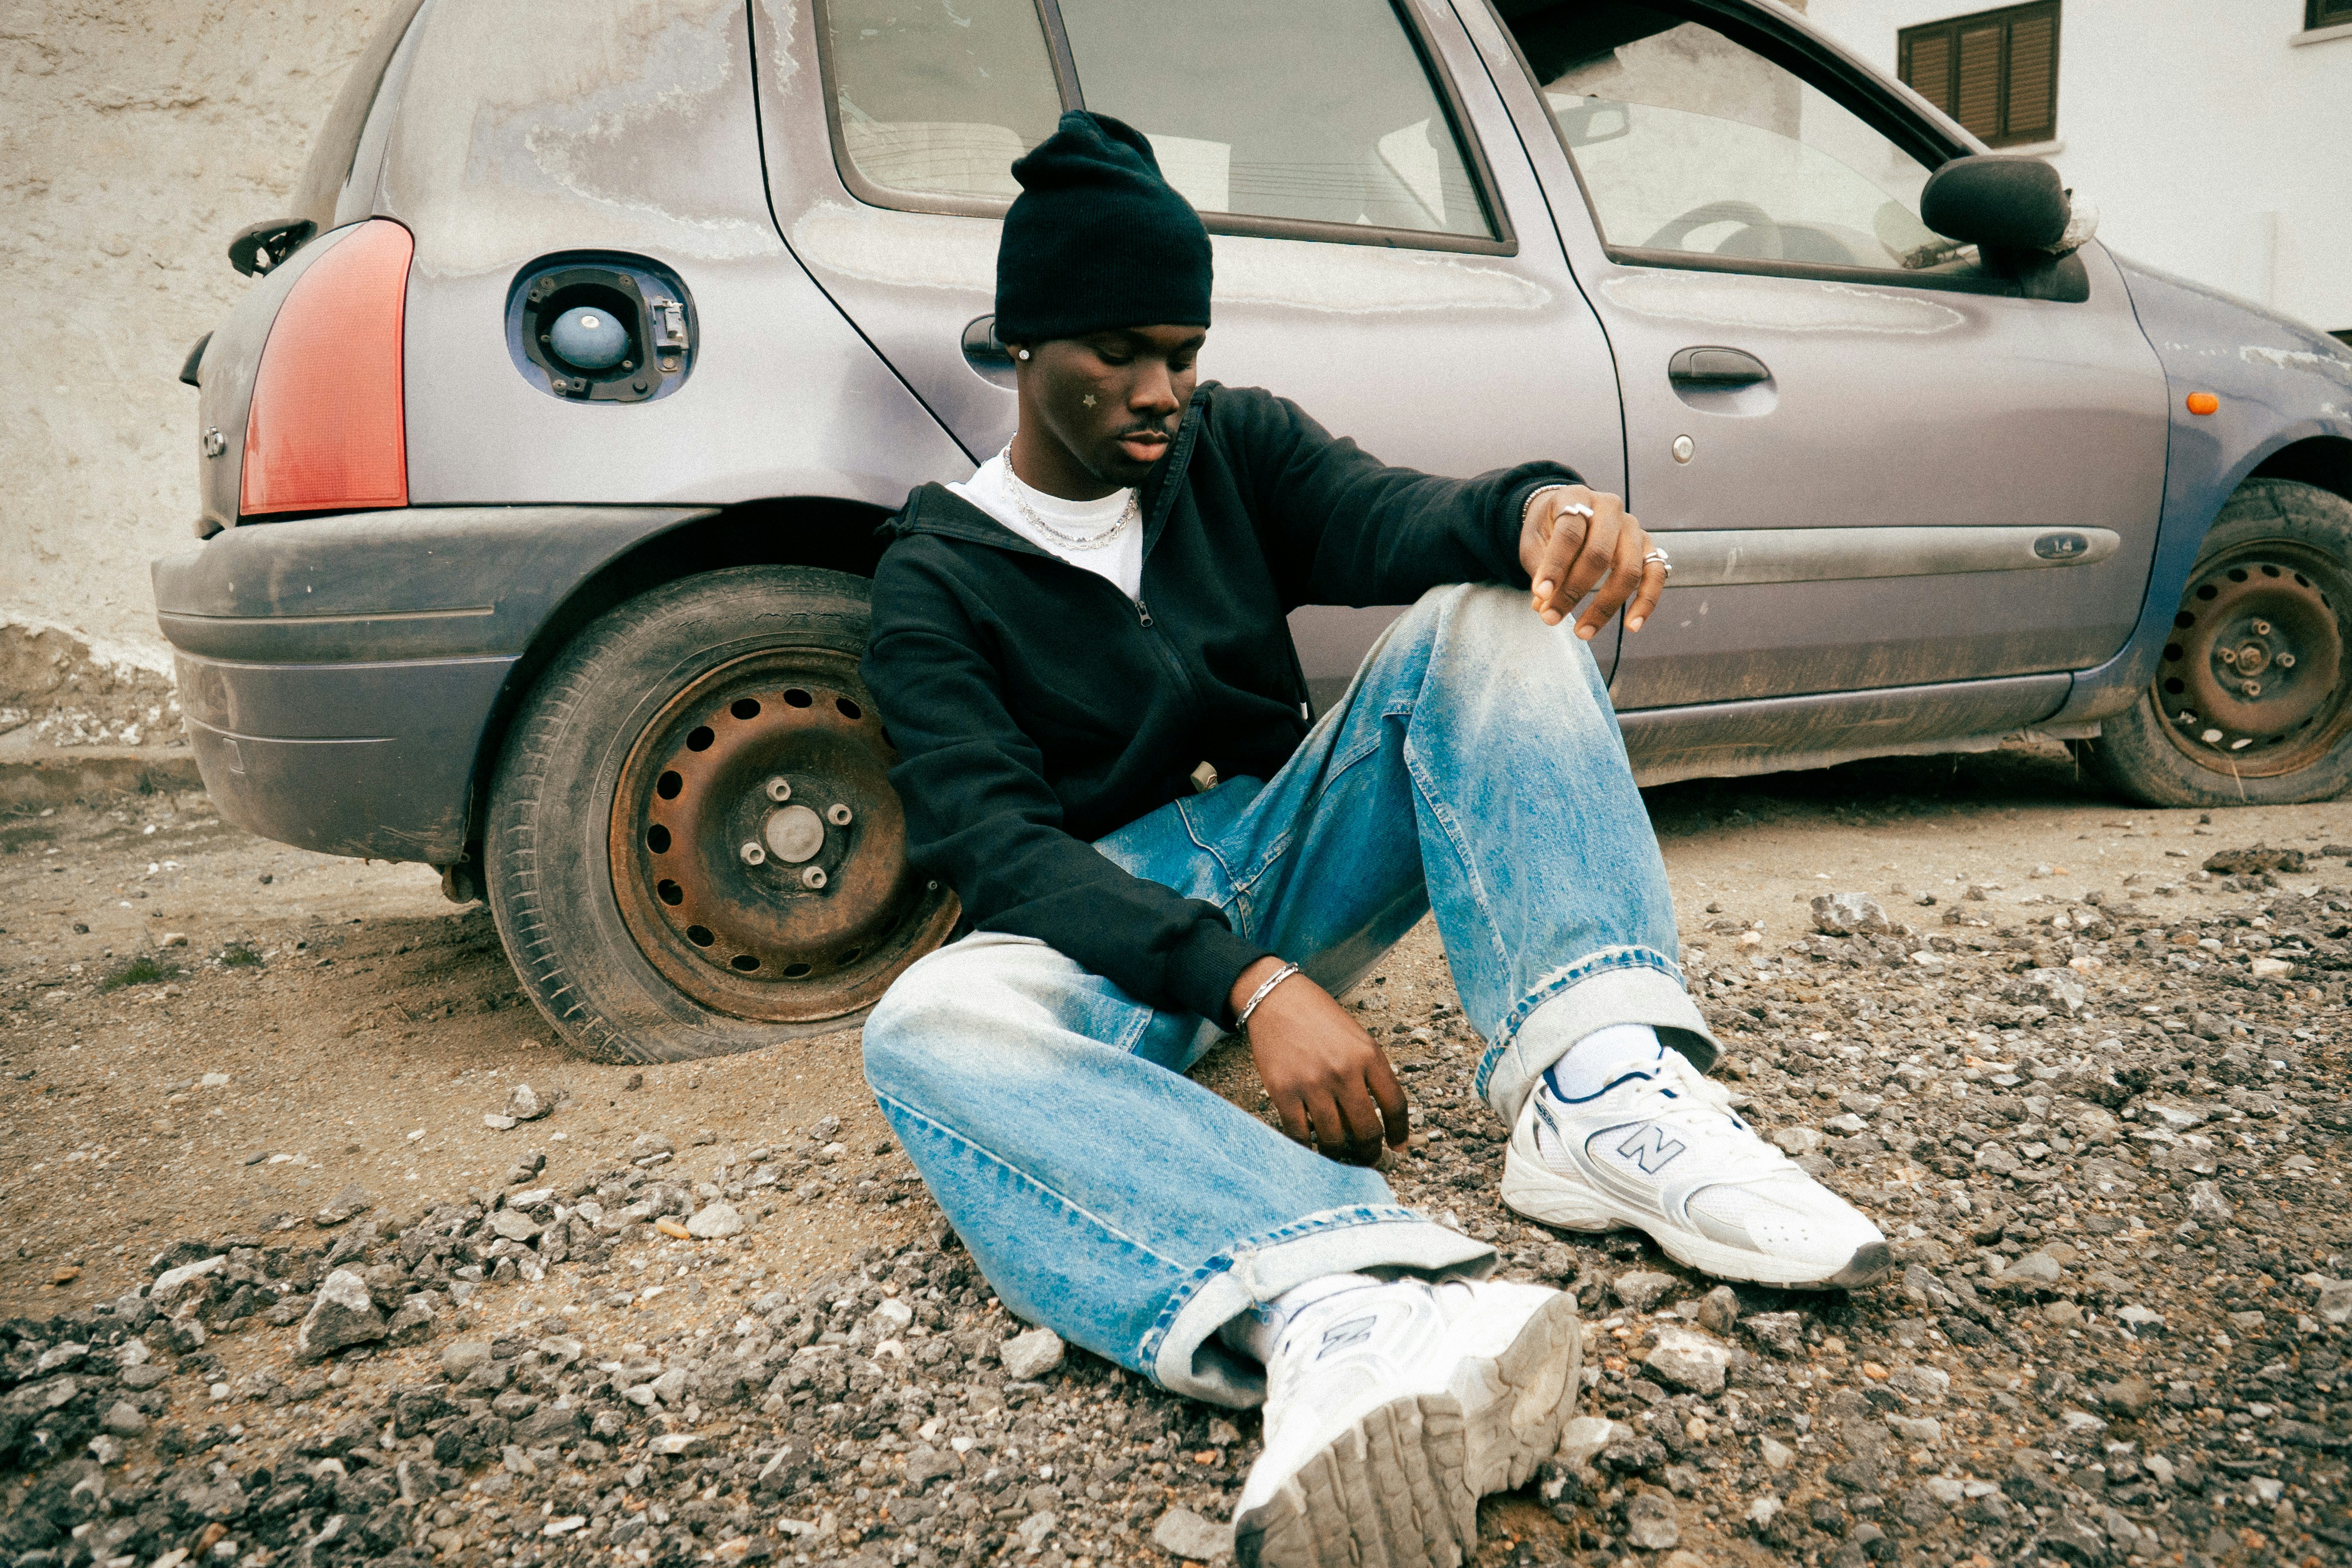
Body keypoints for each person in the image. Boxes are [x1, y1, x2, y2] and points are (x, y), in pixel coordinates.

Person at [857, 111, 1888, 1568]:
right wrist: (1251, 988)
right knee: (921, 1028)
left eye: (1185, 350)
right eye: (1120, 355)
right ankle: (1342, 1299)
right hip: (1114, 924)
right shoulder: (932, 579)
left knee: (1485, 612)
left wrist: (1541, 512)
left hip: (1293, 850)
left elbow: (1390, 513)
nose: (1164, 391)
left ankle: (1598, 1087)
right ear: (1026, 345)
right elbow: (1001, 849)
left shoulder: (1231, 447)